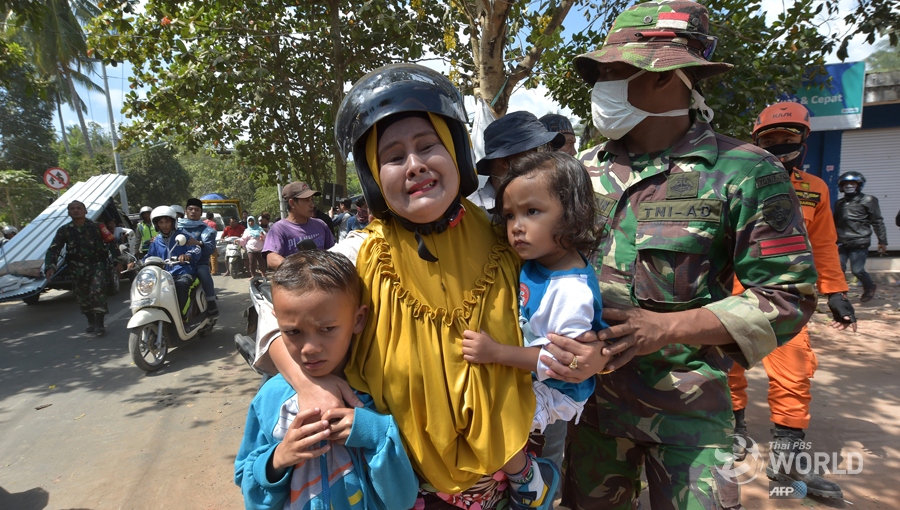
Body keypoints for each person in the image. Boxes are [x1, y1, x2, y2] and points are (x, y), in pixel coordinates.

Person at [253, 64, 589, 509]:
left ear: (456, 152)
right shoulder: (358, 256)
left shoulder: (511, 242)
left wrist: (585, 357)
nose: (414, 166)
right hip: (400, 486)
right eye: (393, 157)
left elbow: (572, 314)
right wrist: (307, 384)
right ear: (374, 176)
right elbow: (270, 312)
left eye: (427, 146)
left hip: (504, 480)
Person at [559, 2, 819, 508]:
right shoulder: (577, 172)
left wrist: (666, 329)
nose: (601, 86)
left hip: (689, 418)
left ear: (668, 77)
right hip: (589, 411)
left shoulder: (746, 172)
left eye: (615, 71)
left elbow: (789, 297)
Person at [463, 152, 613, 505]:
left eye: (532, 212)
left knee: (493, 426)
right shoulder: (537, 259)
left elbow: (561, 363)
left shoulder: (571, 291)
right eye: (510, 215)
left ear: (572, 215)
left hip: (558, 391)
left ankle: (531, 480)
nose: (516, 226)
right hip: (533, 374)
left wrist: (496, 352)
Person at [724, 102, 853, 499]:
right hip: (732, 296)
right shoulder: (734, 179)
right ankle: (732, 440)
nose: (780, 146)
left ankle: (786, 469)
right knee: (728, 372)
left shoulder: (816, 189)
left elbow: (824, 243)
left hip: (786, 301)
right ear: (757, 140)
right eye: (771, 139)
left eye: (788, 139)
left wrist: (836, 291)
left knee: (794, 376)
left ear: (804, 140)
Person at [235, 250, 419, 510]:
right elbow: (247, 485)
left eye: (327, 329)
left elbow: (403, 499)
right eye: (293, 332)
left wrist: (374, 433)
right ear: (277, 322)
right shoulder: (270, 399)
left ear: (358, 319)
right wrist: (277, 460)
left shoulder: (375, 393)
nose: (309, 348)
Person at [44, 201, 128, 336]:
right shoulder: (64, 230)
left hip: (97, 265)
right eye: (72, 209)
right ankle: (91, 321)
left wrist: (119, 262)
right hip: (76, 268)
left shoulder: (98, 227)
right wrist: (50, 266)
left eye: (79, 208)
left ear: (85, 211)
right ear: (68, 212)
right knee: (82, 297)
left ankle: (100, 323)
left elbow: (112, 243)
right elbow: (54, 249)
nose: (75, 211)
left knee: (97, 292)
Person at [468, 111, 564, 213]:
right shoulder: (469, 213)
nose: (549, 158)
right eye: (541, 149)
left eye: (549, 148)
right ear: (504, 159)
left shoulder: (558, 203)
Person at [834, 171, 887, 302]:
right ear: (841, 186)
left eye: (852, 183)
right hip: (841, 241)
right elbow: (834, 223)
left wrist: (882, 241)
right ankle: (840, 293)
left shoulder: (869, 200)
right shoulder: (839, 203)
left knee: (857, 271)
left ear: (859, 185)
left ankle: (870, 287)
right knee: (838, 269)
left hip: (859, 241)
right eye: (846, 183)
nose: (849, 186)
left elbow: (877, 221)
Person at [262, 182, 335, 271]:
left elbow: (333, 252)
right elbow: (271, 259)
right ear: (292, 203)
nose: (312, 204)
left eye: (312, 199)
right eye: (306, 200)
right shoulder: (278, 229)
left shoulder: (321, 225)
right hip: (294, 283)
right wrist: (300, 271)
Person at [145, 206, 201, 315]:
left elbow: (196, 249)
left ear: (173, 222)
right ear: (156, 224)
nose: (164, 225)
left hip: (184, 272)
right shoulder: (156, 242)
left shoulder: (183, 236)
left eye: (167, 221)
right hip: (163, 275)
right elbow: (149, 256)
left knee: (181, 285)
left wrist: (188, 255)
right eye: (161, 222)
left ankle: (182, 317)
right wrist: (137, 263)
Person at [179, 198, 220, 316]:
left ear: (201, 213)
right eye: (190, 209)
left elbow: (210, 249)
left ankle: (211, 302)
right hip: (179, 263)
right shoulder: (177, 228)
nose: (193, 212)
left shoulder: (207, 230)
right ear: (186, 211)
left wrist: (199, 243)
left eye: (197, 210)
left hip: (199, 263)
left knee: (203, 271)